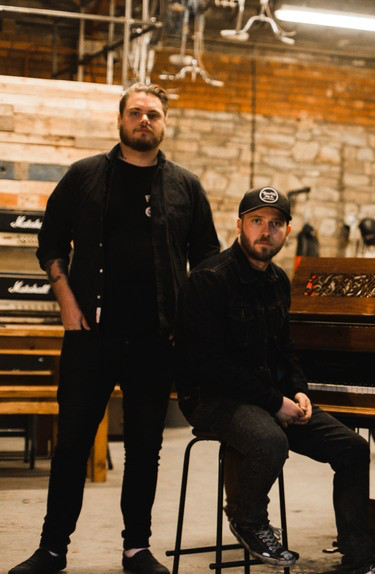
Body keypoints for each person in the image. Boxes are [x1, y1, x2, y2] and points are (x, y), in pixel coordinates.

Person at [10, 83, 219, 574]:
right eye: (136, 112)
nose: (144, 120)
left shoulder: (186, 186)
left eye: (154, 114)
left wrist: (188, 323)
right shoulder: (83, 175)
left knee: (145, 449)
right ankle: (52, 549)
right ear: (120, 119)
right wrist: (66, 300)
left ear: (165, 124)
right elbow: (50, 243)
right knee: (71, 445)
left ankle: (136, 549)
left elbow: (207, 260)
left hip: (155, 341)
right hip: (90, 337)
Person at [174, 187, 375, 574]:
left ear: (287, 232)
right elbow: (209, 366)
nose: (266, 231)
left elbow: (284, 350)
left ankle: (359, 560)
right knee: (270, 440)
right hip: (210, 398)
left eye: (275, 224)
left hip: (264, 397)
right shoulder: (209, 279)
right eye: (256, 221)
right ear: (239, 225)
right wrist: (275, 403)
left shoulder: (277, 280)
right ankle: (249, 520)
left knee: (353, 449)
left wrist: (299, 391)